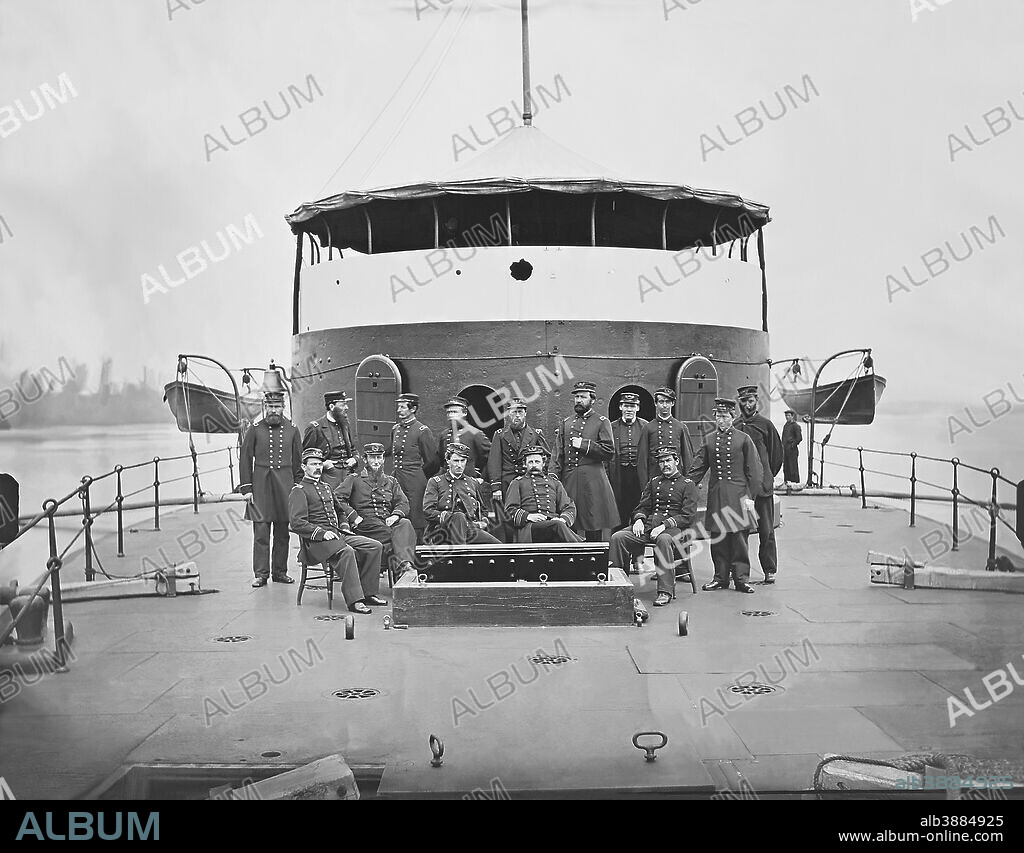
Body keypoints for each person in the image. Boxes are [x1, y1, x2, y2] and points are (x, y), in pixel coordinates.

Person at [288, 448, 386, 614]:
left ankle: (369, 593)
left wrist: (345, 526)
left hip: (337, 534)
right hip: (316, 542)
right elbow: (296, 523)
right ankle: (355, 600)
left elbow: (340, 511)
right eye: (313, 464)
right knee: (347, 552)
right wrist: (321, 533)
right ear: (304, 467)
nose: (317, 467)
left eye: (319, 464)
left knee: (374, 546)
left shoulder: (326, 487)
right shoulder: (299, 490)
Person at [687, 398, 762, 594]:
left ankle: (741, 578)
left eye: (725, 416)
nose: (721, 420)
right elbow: (698, 467)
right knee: (718, 538)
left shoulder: (743, 439)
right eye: (718, 416)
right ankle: (720, 577)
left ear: (732, 417)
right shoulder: (709, 439)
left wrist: (750, 497)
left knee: (738, 539)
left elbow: (754, 470)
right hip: (717, 495)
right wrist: (685, 485)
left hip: (739, 496)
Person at [609, 445, 699, 605]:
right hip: (650, 526)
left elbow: (688, 516)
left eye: (668, 460)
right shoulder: (654, 482)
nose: (665, 465)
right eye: (662, 462)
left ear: (676, 461)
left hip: (676, 529)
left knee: (663, 540)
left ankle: (665, 591)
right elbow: (642, 506)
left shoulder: (687, 484)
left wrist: (664, 525)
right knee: (618, 537)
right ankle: (619, 585)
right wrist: (638, 520)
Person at [239, 390, 303, 587]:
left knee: (283, 532)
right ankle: (261, 574)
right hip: (261, 487)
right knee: (261, 531)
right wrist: (247, 488)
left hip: (285, 486)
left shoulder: (292, 429)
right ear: (265, 408)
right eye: (270, 407)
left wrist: (298, 487)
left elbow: (298, 463)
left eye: (277, 407)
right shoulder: (255, 429)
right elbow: (245, 459)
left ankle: (279, 572)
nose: (273, 410)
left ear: (283, 407)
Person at [336, 442, 417, 581]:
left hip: (385, 522)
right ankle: (404, 568)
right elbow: (337, 498)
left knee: (405, 523)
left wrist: (395, 514)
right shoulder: (354, 479)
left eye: (379, 457)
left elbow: (403, 502)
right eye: (372, 457)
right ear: (365, 459)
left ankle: (405, 565)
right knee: (401, 537)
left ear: (384, 459)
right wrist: (353, 516)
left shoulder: (391, 481)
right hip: (365, 525)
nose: (376, 461)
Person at [552, 381, 619, 540]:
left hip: (592, 480)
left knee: (593, 521)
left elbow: (609, 451)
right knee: (569, 520)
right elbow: (557, 453)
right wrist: (553, 477)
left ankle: (594, 560)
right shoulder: (566, 423)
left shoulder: (601, 421)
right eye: (577, 397)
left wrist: (584, 445)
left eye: (583, 397)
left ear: (592, 400)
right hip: (569, 479)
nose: (579, 400)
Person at [734, 385, 784, 583]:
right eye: (744, 401)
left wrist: (766, 477)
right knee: (739, 532)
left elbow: (776, 455)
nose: (747, 405)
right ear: (739, 403)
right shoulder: (735, 426)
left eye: (751, 401)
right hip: (741, 490)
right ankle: (738, 571)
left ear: (756, 401)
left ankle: (769, 570)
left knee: (767, 531)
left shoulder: (766, 425)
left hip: (763, 489)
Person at [487, 397, 547, 542]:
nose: (517, 416)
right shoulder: (500, 434)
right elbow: (494, 461)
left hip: (529, 482)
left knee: (528, 514)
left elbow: (546, 457)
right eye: (513, 412)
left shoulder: (536, 434)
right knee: (506, 517)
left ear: (525, 413)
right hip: (507, 482)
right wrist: (496, 487)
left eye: (520, 412)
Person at [423, 443, 501, 545]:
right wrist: (449, 517)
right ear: (448, 461)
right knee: (459, 517)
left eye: (462, 461)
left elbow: (482, 510)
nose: (459, 465)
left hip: (470, 529)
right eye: (456, 461)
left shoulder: (473, 482)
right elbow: (428, 511)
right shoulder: (435, 482)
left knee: (498, 547)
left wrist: (483, 522)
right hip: (442, 531)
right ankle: (459, 558)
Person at [503, 445, 582, 543]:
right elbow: (509, 510)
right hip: (530, 528)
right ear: (524, 464)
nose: (534, 465)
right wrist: (528, 516)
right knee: (557, 526)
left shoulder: (555, 483)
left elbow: (568, 506)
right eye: (530, 462)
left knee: (557, 525)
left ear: (543, 463)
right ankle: (581, 548)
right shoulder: (517, 483)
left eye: (537, 462)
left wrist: (563, 519)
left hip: (553, 524)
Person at [388, 392, 438, 542]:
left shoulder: (422, 431)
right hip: (397, 478)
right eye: (398, 407)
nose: (399, 410)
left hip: (415, 481)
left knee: (416, 517)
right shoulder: (395, 429)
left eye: (402, 407)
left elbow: (433, 462)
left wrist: (419, 476)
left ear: (413, 409)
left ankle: (417, 549)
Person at [637, 387, 694, 488]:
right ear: (655, 404)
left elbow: (688, 458)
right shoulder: (648, 428)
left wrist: (688, 483)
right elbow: (642, 460)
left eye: (668, 402)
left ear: (673, 403)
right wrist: (644, 486)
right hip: (654, 479)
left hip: (676, 479)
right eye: (661, 402)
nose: (664, 405)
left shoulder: (680, 427)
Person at [608, 392, 648, 531]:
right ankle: (619, 548)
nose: (629, 409)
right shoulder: (611, 427)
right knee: (619, 513)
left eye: (633, 406)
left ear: (638, 408)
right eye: (626, 406)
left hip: (638, 476)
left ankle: (637, 550)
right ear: (620, 407)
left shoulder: (645, 426)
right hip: (619, 476)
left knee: (639, 512)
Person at [303, 391, 359, 489]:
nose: (347, 408)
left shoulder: (345, 424)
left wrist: (354, 459)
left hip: (348, 474)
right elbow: (306, 456)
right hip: (328, 476)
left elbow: (353, 449)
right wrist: (323, 464)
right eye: (343, 405)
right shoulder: (315, 428)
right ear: (332, 407)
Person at [437, 396, 491, 480]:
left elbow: (491, 458)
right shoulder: (444, 435)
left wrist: (482, 478)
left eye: (454, 412)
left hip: (468, 482)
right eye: (448, 412)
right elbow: (440, 460)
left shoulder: (475, 433)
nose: (451, 415)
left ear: (464, 413)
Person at [782, 410, 803, 484]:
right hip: (786, 449)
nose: (787, 417)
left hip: (792, 449)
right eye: (786, 416)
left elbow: (799, 438)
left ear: (792, 416)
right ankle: (787, 482)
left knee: (793, 467)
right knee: (786, 467)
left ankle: (795, 482)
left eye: (788, 415)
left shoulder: (795, 426)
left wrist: (792, 445)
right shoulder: (786, 425)